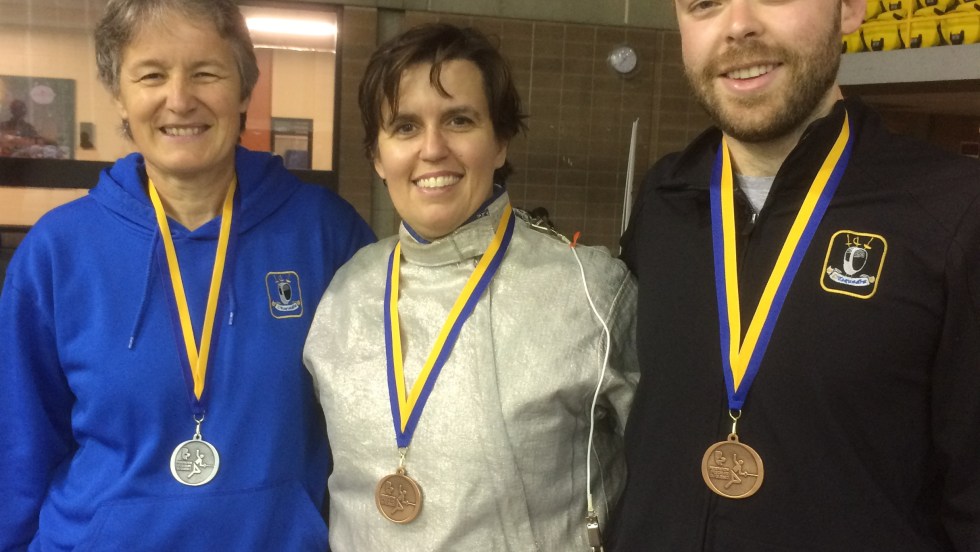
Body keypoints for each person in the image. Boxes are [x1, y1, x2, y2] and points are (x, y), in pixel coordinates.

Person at [0, 0, 374, 549]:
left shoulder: (325, 234)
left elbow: (377, 427)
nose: (179, 99)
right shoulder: (57, 252)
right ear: (119, 95)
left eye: (206, 73)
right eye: (151, 75)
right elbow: (20, 448)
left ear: (244, 89)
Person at [610, 0, 980, 550]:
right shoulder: (665, 197)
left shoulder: (953, 211)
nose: (738, 25)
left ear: (849, 9)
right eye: (704, 4)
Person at [303, 23, 638, 551]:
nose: (433, 149)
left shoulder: (589, 290)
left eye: (459, 120)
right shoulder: (346, 290)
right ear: (378, 156)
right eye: (405, 127)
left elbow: (665, 480)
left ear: (500, 141)